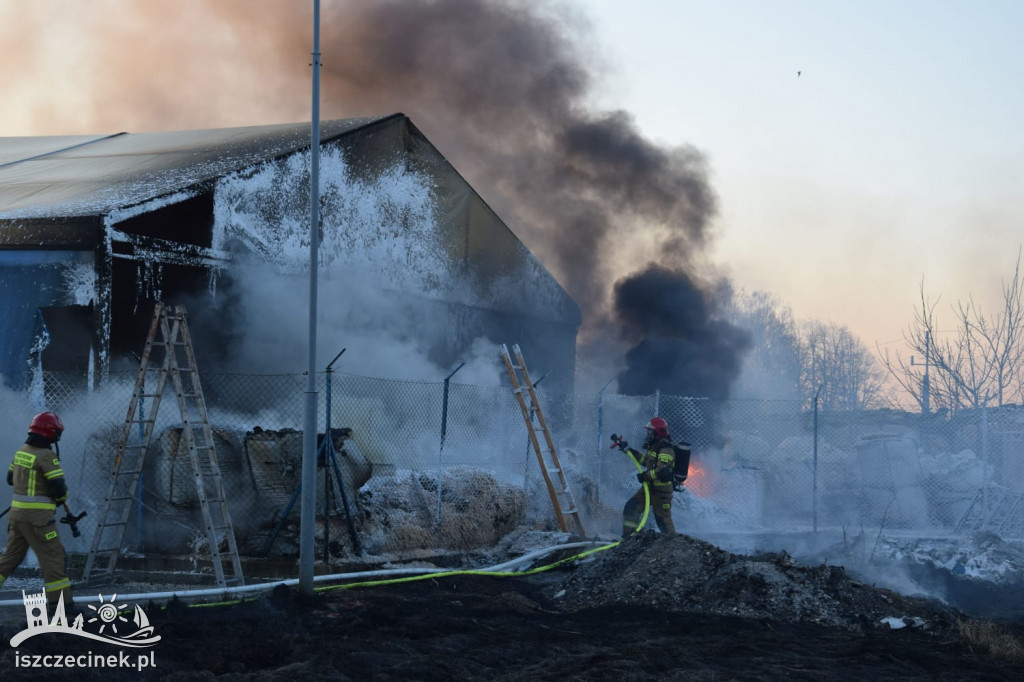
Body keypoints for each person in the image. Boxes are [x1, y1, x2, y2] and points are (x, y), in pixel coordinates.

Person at [0, 411, 74, 608]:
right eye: (57, 432)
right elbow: (59, 489)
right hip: (39, 521)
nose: (58, 436)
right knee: (53, 558)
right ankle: (61, 608)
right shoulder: (47, 456)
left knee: (10, 558)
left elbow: (10, 479)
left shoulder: (21, 451)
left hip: (17, 517)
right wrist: (60, 499)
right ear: (50, 432)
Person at [620, 417, 677, 538]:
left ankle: (673, 545)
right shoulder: (654, 446)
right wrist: (629, 450)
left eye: (650, 432)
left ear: (658, 432)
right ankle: (627, 539)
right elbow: (646, 461)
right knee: (631, 507)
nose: (648, 434)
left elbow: (661, 471)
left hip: (662, 492)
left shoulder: (666, 449)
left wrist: (645, 476)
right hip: (650, 488)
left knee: (663, 521)